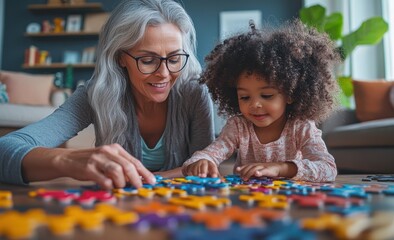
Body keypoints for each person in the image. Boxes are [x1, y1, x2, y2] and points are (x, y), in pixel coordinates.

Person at [0, 0, 214, 189]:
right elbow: (5, 149)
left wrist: (153, 179)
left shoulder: (194, 91)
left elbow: (203, 165)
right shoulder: (96, 92)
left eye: (175, 59)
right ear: (121, 57)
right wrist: (68, 160)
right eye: (148, 61)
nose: (164, 74)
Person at [182, 20, 340, 182]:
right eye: (244, 97)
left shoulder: (301, 127)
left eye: (267, 96)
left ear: (290, 94)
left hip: (290, 202)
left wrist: (281, 168)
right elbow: (208, 154)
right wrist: (203, 161)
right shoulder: (238, 127)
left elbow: (328, 168)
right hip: (247, 201)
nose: (255, 104)